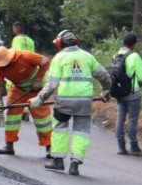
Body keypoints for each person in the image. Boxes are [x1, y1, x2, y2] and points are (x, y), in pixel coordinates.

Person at [31, 30, 111, 176]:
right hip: (84, 102)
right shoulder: (88, 57)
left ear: (60, 43)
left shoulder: (59, 58)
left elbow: (52, 83)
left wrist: (40, 98)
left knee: (60, 128)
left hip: (64, 102)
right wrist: (106, 90)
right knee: (81, 132)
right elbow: (104, 75)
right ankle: (75, 164)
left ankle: (58, 161)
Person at [0, 46, 52, 161]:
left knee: (42, 119)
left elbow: (46, 61)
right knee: (12, 115)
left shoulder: (25, 56)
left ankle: (49, 147)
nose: (3, 67)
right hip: (18, 89)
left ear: (10, 59)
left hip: (37, 89)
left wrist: (38, 79)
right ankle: (9, 145)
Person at [114, 32, 142, 157]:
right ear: (134, 44)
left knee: (120, 118)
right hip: (132, 92)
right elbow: (141, 77)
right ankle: (134, 147)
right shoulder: (134, 56)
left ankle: (121, 147)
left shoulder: (117, 55)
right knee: (132, 120)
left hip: (119, 91)